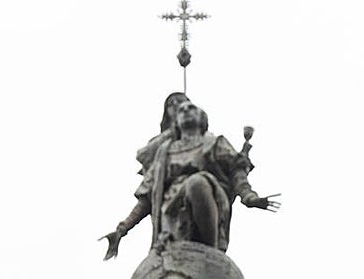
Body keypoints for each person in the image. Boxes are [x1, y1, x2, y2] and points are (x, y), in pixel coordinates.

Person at [101, 99, 279, 260]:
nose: (186, 111)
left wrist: (249, 197)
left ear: (202, 119)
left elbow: (236, 171)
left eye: (191, 108)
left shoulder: (214, 143)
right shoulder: (164, 152)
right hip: (171, 209)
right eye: (181, 110)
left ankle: (210, 251)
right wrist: (121, 230)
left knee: (196, 183)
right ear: (176, 123)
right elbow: (147, 198)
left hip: (208, 196)